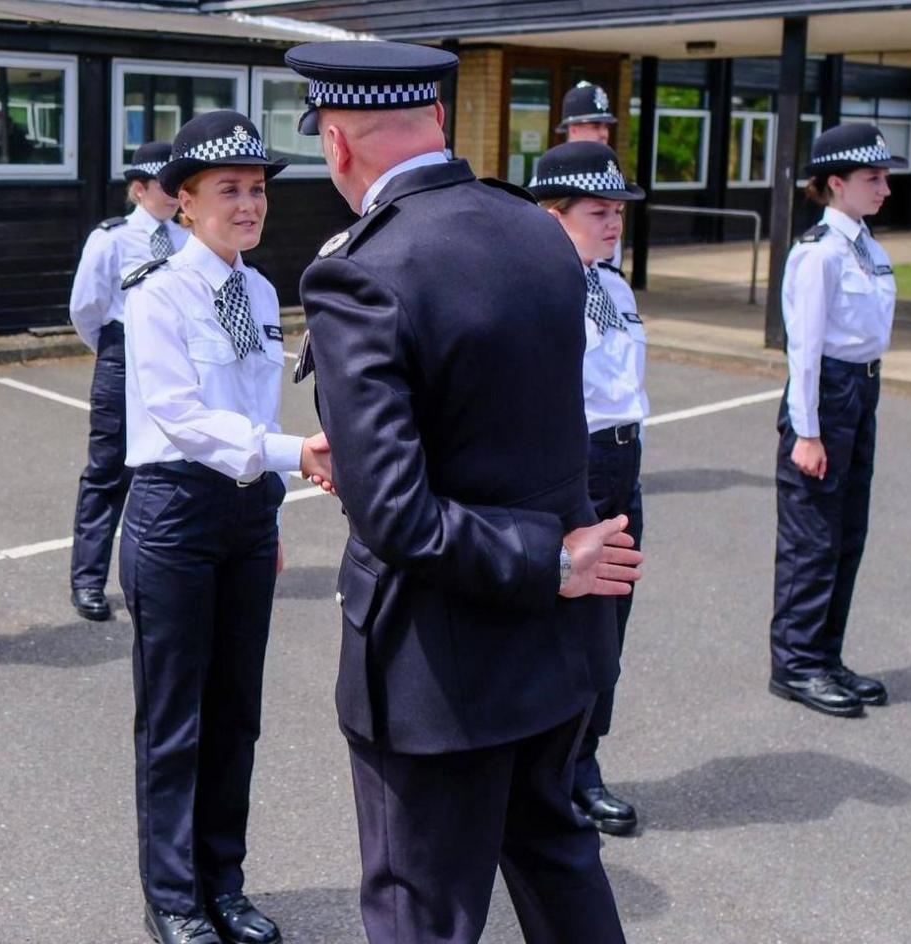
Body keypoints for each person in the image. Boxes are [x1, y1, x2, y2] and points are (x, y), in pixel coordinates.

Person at [286, 40, 640, 944]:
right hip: (556, 647)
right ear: (439, 121)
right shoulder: (535, 229)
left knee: (422, 913)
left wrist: (549, 560)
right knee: (559, 865)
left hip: (440, 667)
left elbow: (397, 512)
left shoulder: (358, 268)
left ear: (336, 145)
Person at [119, 111, 329, 944]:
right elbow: (177, 415)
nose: (248, 205)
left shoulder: (264, 290)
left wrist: (269, 504)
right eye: (228, 191)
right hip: (175, 511)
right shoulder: (159, 294)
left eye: (257, 190)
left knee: (237, 710)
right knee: (176, 718)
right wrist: (292, 454)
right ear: (184, 203)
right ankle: (173, 898)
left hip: (246, 512)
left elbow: (251, 405)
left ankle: (225, 883)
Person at [528, 140, 648, 835]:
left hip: (620, 466)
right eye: (598, 212)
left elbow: (628, 389)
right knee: (563, 631)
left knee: (609, 631)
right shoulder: (539, 292)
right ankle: (549, 773)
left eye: (618, 212)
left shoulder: (615, 286)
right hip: (570, 471)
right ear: (552, 215)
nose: (613, 224)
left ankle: (584, 764)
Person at [769, 123, 905, 718]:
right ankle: (796, 664)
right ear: (834, 184)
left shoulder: (867, 246)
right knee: (812, 539)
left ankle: (826, 655)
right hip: (828, 394)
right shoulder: (818, 252)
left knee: (847, 532)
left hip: (862, 390)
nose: (884, 188)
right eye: (871, 178)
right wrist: (807, 431)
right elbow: (803, 349)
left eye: (884, 177)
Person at [66, 141, 187, 622]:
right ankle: (88, 580)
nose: (176, 195)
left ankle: (157, 575)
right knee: (107, 472)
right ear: (139, 189)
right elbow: (85, 309)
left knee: (167, 469)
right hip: (122, 354)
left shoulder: (186, 240)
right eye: (166, 186)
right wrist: (114, 353)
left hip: (173, 359)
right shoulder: (111, 239)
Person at [557, 82, 623, 268]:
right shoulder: (551, 176)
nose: (603, 133)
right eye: (595, 125)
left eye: (605, 126)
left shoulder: (608, 171)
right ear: (573, 128)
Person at [559, 80, 616, 146]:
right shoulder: (555, 156)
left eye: (606, 127)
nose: (604, 134)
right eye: (596, 127)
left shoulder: (610, 156)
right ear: (573, 130)